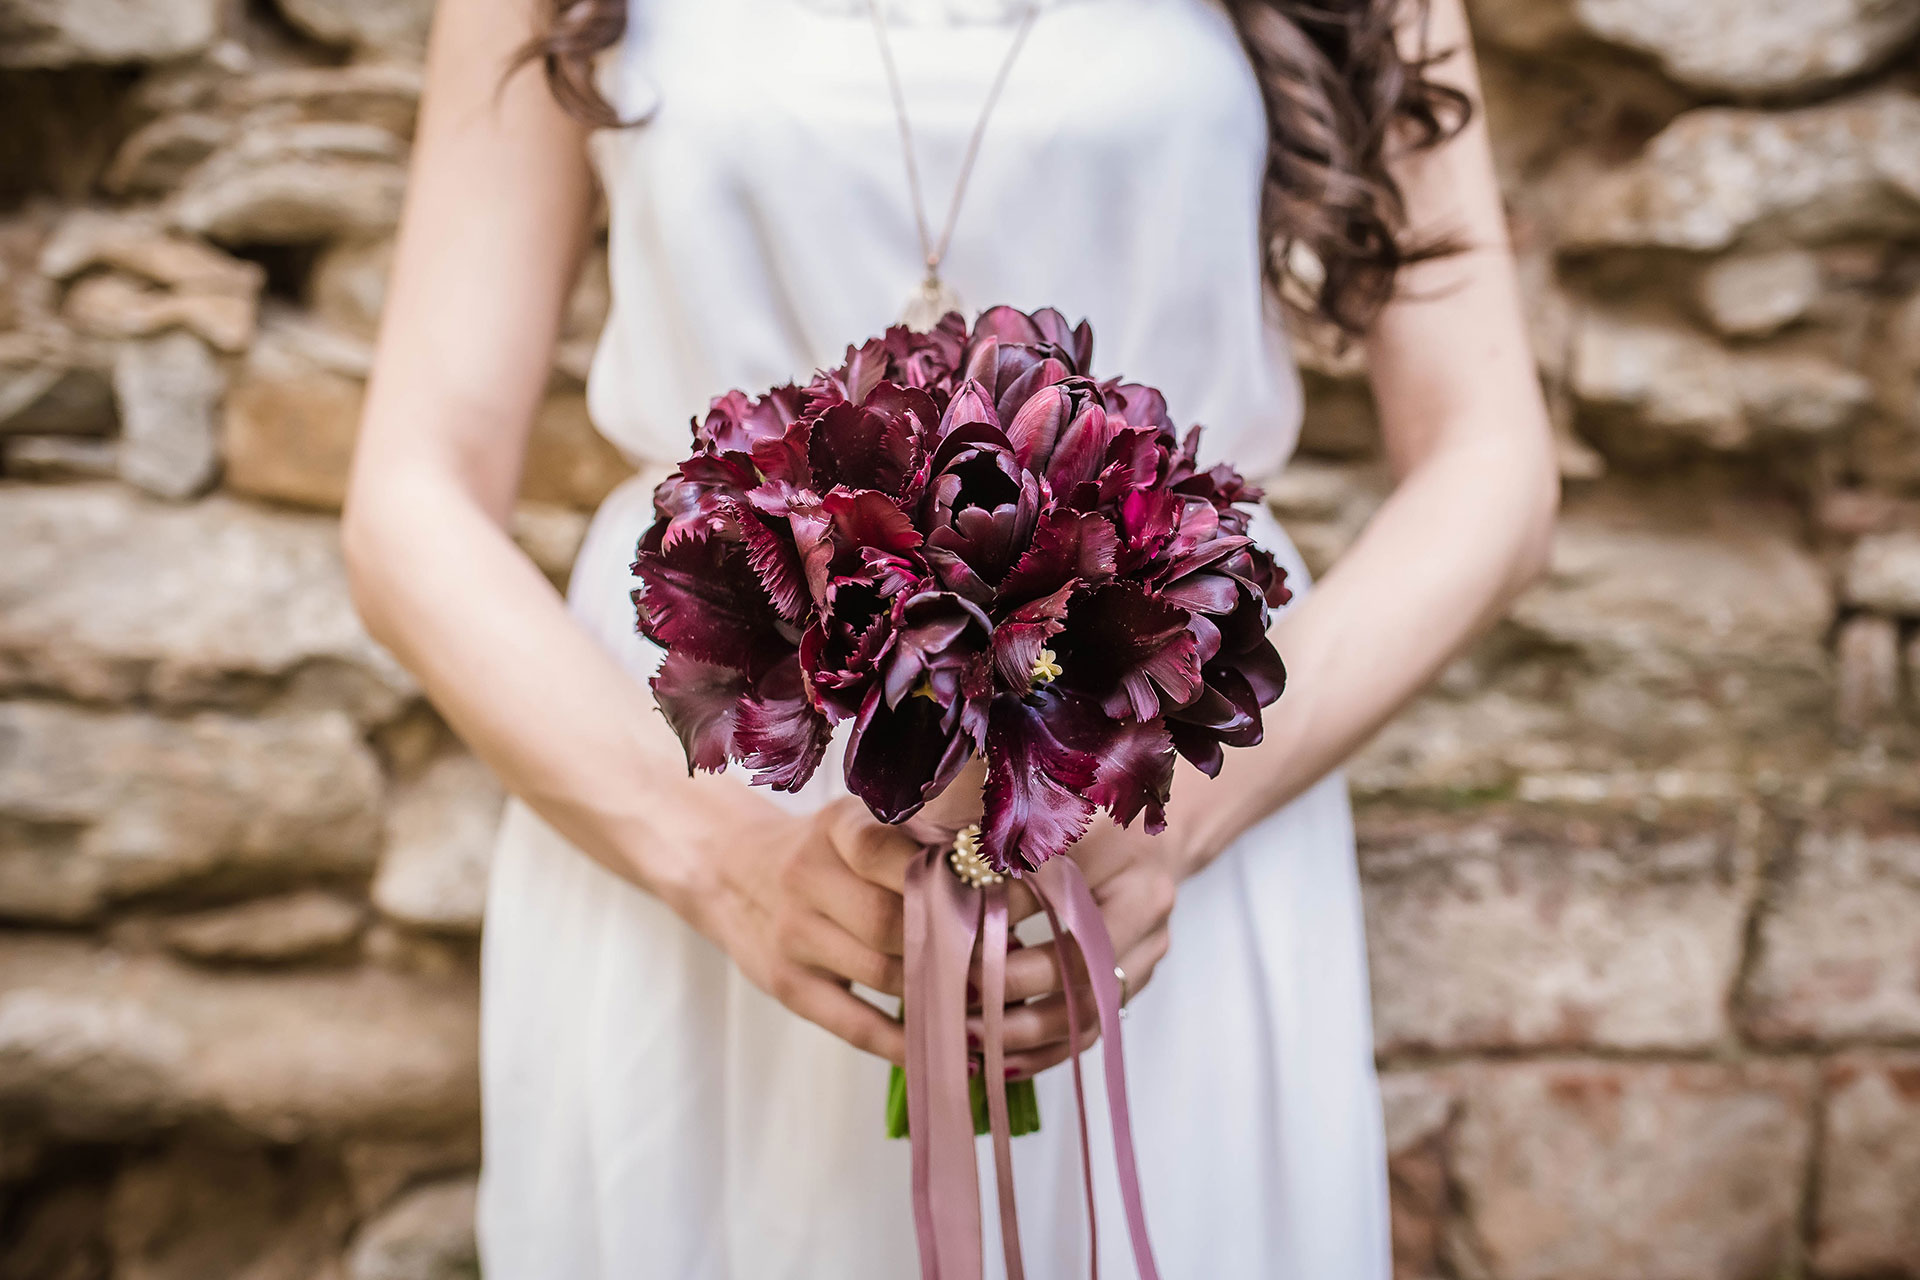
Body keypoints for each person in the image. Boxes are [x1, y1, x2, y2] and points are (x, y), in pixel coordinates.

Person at [342, 0, 1557, 1273]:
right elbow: (411, 498)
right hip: (706, 781)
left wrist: (1180, 824)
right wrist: (722, 861)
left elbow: (1494, 465)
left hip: (1166, 779)